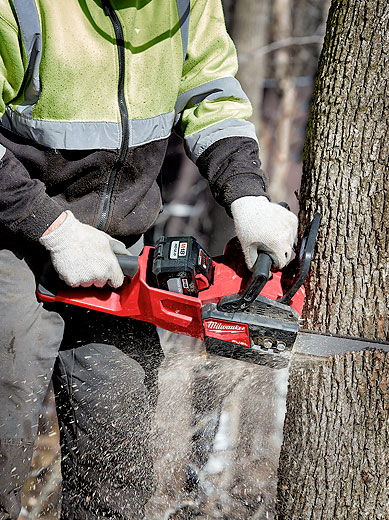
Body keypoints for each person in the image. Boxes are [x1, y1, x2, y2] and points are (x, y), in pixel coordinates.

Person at [0, 1, 298, 518]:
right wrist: (53, 228)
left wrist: (246, 195)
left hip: (118, 249)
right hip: (12, 231)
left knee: (117, 458)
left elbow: (210, 92)